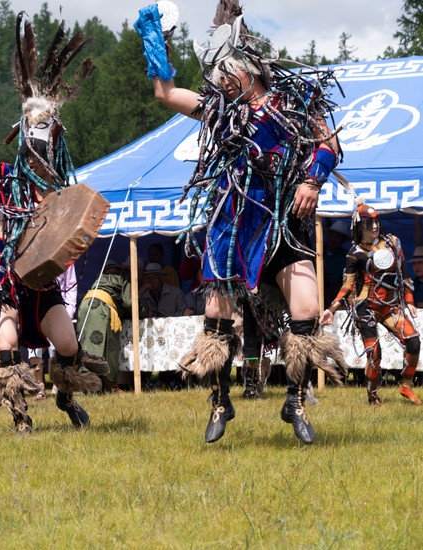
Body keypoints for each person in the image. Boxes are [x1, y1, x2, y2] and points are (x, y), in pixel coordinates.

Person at [137, 2, 346, 443]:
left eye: (225, 72)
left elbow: (326, 141)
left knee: (307, 309)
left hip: (283, 223)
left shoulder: (293, 101)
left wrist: (312, 179)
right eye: (215, 75)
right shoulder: (219, 109)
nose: (220, 81)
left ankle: (295, 401)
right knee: (216, 312)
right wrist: (155, 38)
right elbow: (166, 94)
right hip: (232, 221)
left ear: (248, 66)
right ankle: (219, 400)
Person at [0, 13, 108, 434]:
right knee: (6, 343)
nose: (38, 164)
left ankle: (65, 396)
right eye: (34, 156)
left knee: (67, 345)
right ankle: (20, 416)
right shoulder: (5, 178)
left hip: (40, 284)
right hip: (3, 283)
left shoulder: (61, 195)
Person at [321, 204, 420, 405]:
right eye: (368, 223)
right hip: (366, 307)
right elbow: (347, 285)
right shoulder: (354, 252)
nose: (374, 226)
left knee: (414, 341)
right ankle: (373, 395)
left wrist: (408, 301)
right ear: (359, 226)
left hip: (390, 306)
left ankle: (406, 387)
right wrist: (331, 308)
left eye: (376, 222)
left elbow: (405, 275)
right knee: (374, 354)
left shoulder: (393, 243)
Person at [77, 261, 151, 393]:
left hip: (85, 307)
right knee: (108, 347)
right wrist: (145, 311)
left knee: (87, 346)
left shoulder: (101, 279)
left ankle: (89, 386)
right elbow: (129, 302)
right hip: (101, 308)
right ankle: (111, 386)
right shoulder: (125, 275)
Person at [323, 220, 350, 309]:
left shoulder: (348, 257)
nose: (333, 239)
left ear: (343, 240)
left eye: (337, 237)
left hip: (338, 297)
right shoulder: (316, 253)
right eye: (331, 235)